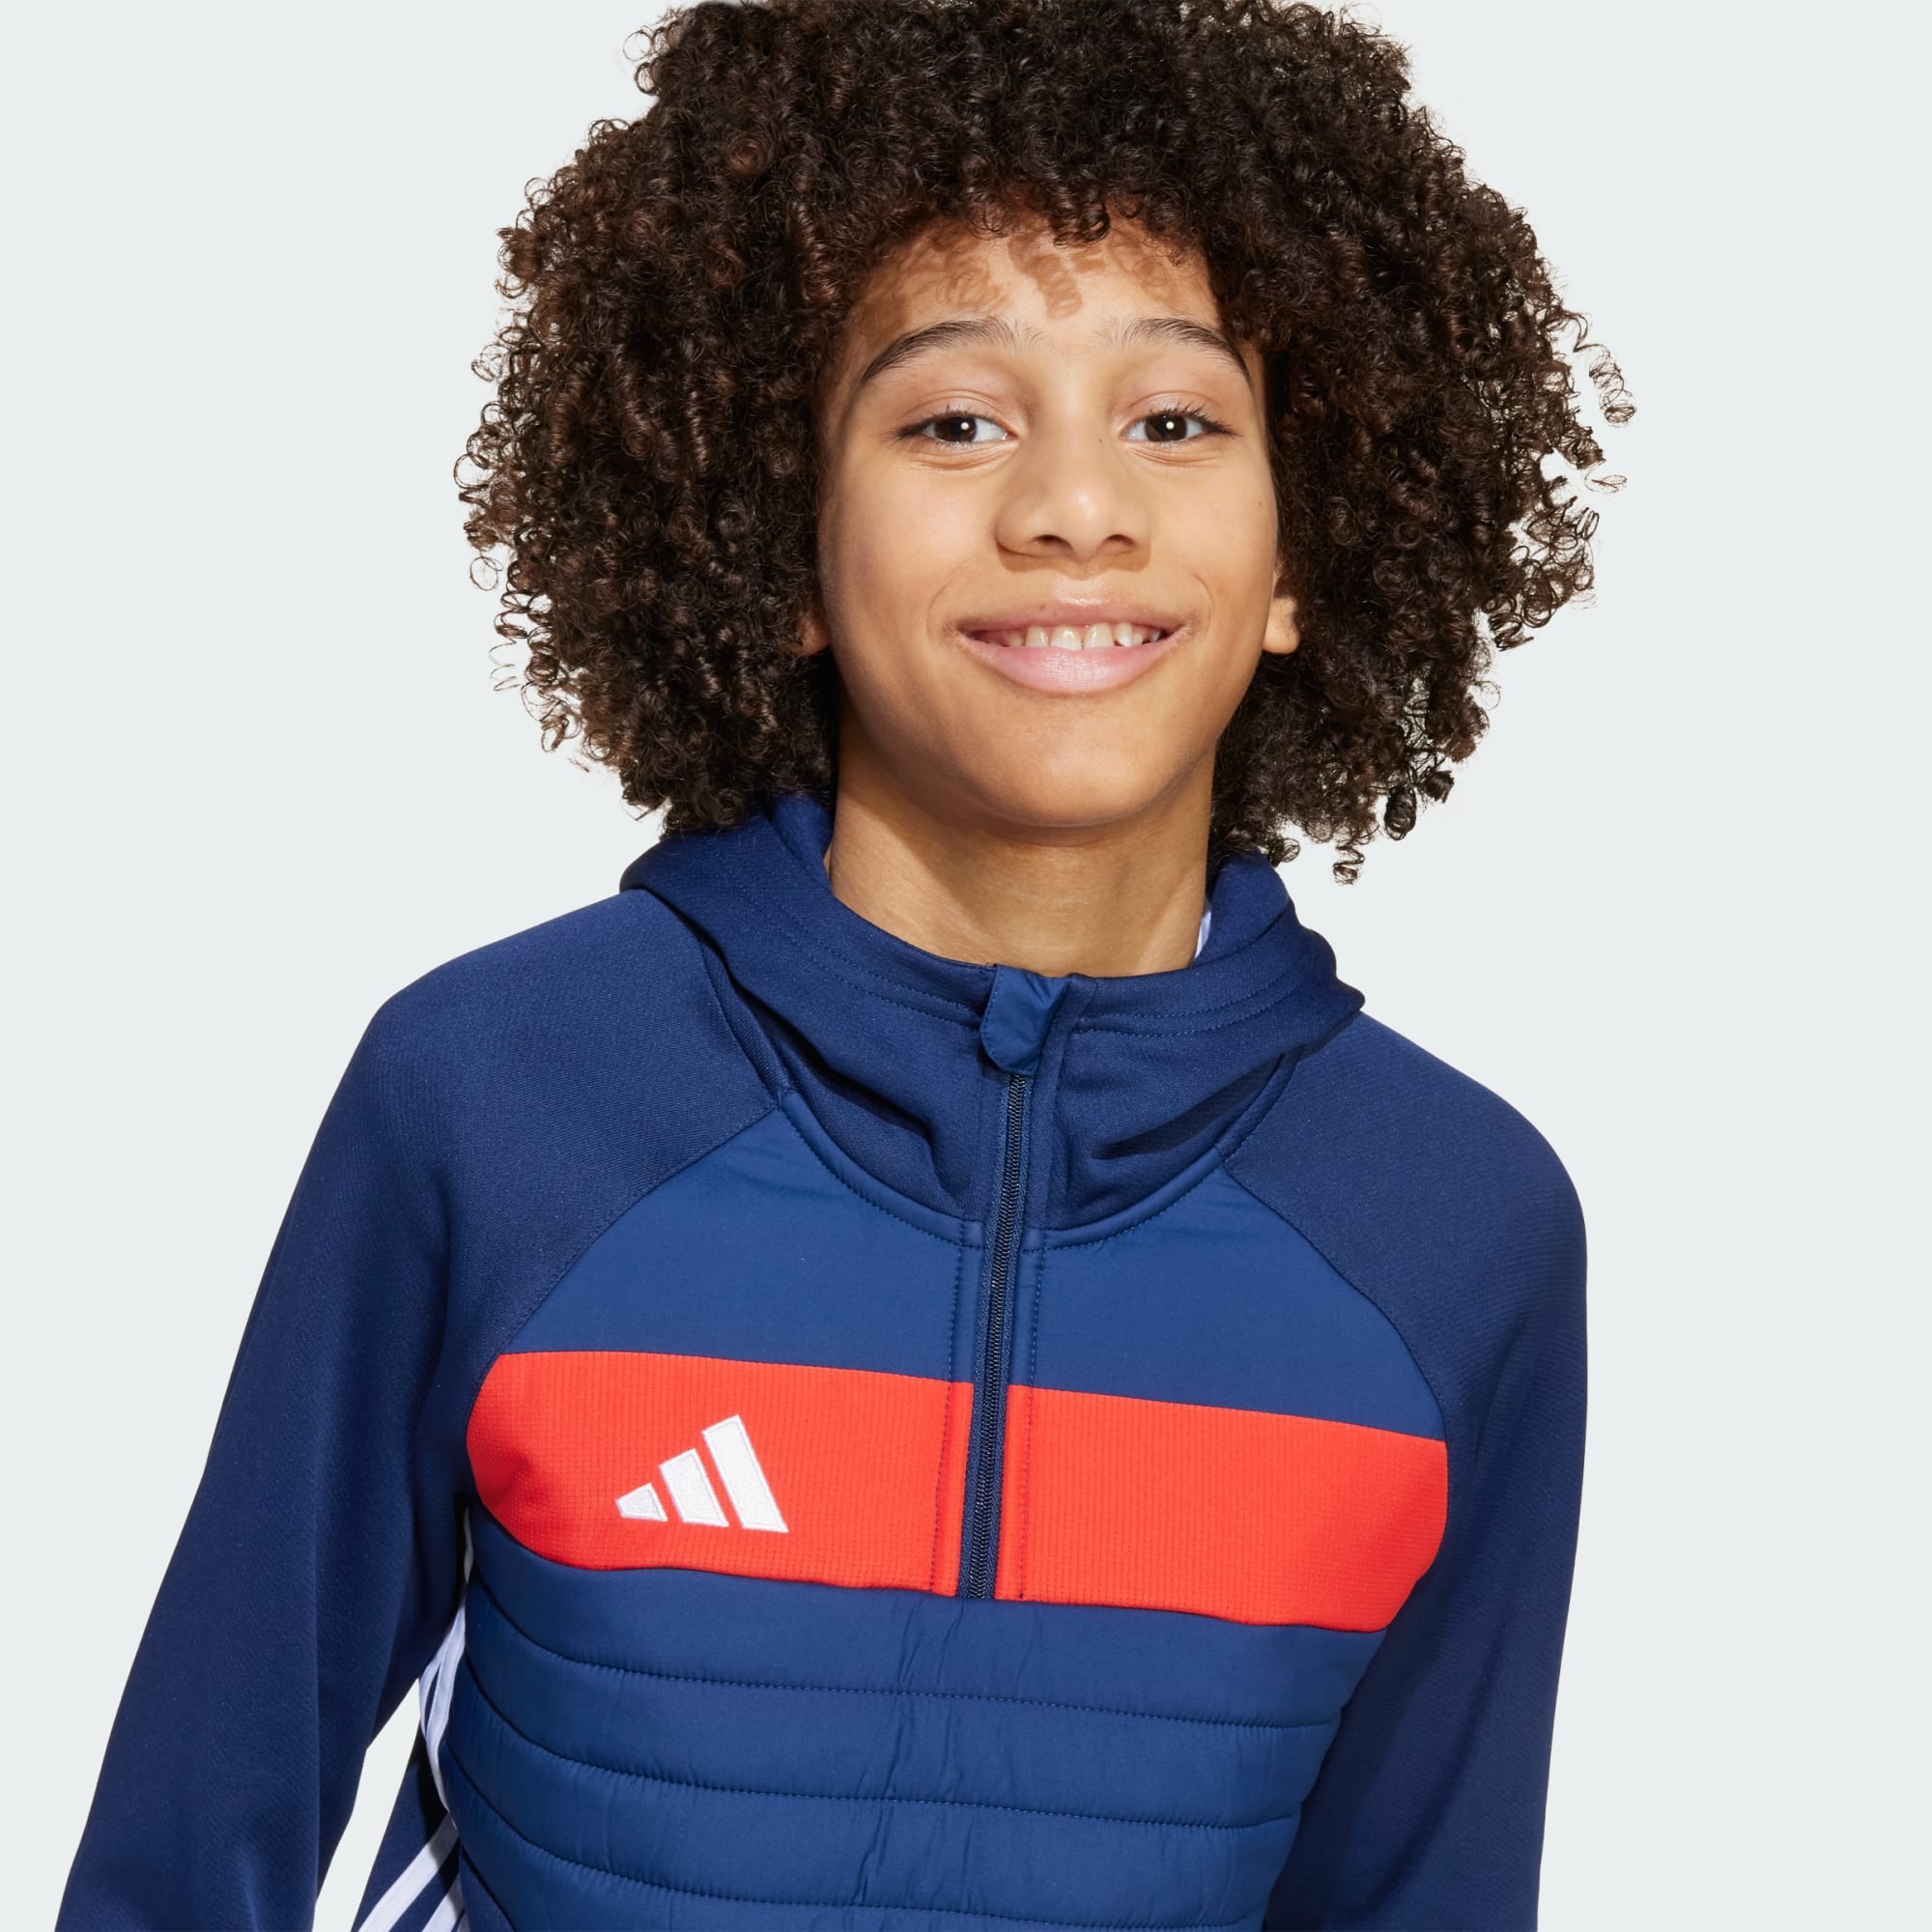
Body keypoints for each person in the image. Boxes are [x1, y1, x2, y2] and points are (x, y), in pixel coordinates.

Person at [59, 1, 1629, 1926]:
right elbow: (183, 1858)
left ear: (1302, 555)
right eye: (955, 419)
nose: (1073, 507)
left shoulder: (1451, 1225)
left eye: (1176, 419)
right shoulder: (505, 1095)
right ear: (783, 546)